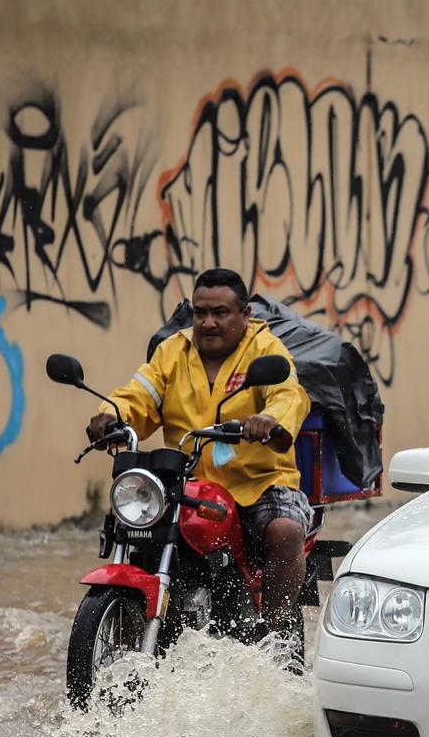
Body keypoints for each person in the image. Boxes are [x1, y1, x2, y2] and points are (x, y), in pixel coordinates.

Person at [87, 268, 312, 652]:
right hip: (187, 483)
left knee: (285, 532)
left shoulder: (265, 350)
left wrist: (269, 420)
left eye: (220, 313)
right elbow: (138, 395)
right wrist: (112, 413)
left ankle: (273, 642)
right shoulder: (172, 351)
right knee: (140, 536)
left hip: (257, 482)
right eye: (200, 313)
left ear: (244, 313)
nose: (208, 322)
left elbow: (289, 395)